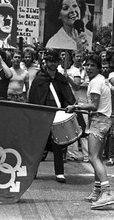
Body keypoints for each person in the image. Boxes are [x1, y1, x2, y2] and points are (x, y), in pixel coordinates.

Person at [66, 54, 114, 209]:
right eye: (87, 65)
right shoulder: (102, 80)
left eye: (92, 65)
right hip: (103, 119)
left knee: (93, 158)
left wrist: (77, 106)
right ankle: (97, 190)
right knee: (97, 158)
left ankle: (107, 192)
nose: (88, 68)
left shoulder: (95, 82)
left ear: (98, 67)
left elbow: (93, 105)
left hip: (98, 120)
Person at [28, 49, 76, 184]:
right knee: (38, 144)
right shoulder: (39, 79)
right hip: (42, 115)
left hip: (57, 115)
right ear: (46, 62)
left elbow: (68, 97)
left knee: (58, 145)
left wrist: (70, 107)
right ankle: (33, 171)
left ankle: (59, 172)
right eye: (50, 61)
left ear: (58, 62)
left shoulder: (61, 78)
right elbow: (33, 98)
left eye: (55, 61)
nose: (52, 64)